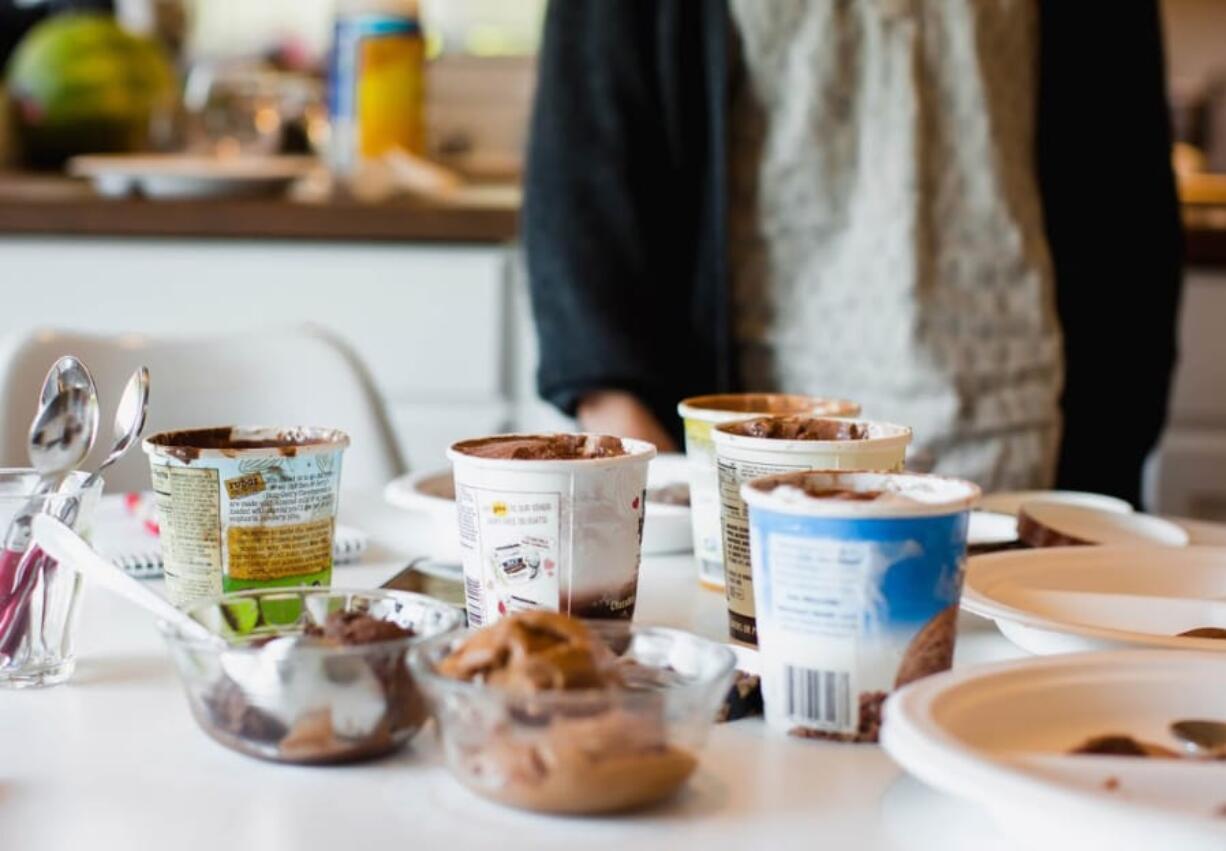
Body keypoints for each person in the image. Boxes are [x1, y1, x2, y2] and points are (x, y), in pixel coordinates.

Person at [523, 0, 1182, 506]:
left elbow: (1128, 191)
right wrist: (658, 481)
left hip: (1017, 436)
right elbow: (583, 171)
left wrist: (1105, 471)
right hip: (747, 458)